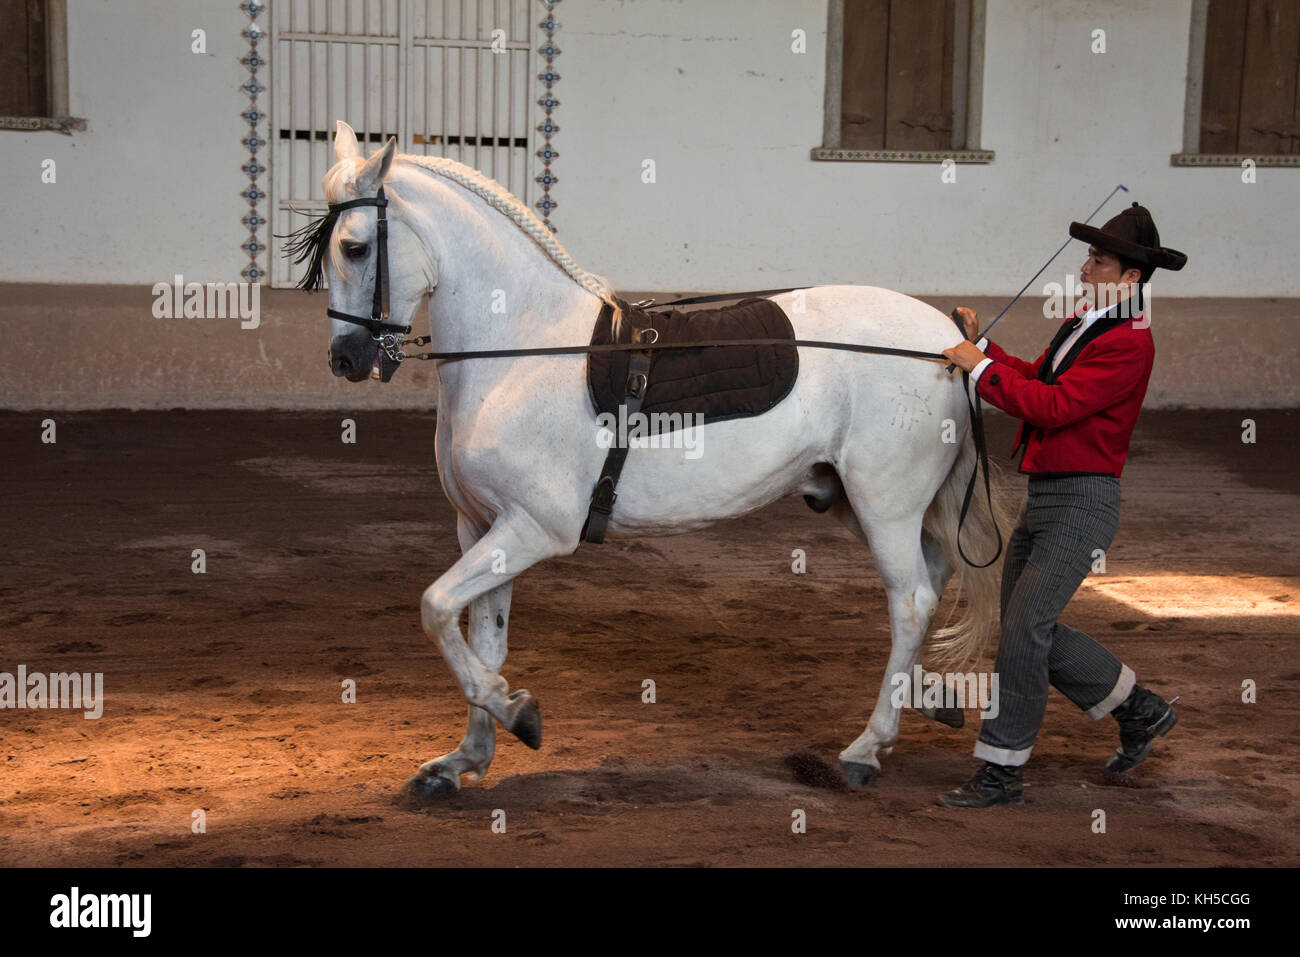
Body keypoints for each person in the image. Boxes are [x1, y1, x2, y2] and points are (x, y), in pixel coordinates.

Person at [937, 202, 1187, 808]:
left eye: (1098, 261)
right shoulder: (1089, 324)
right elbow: (1040, 378)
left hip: (1082, 503)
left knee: (1025, 630)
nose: (1085, 268)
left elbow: (1052, 407)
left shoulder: (1128, 343)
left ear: (1131, 278)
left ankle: (1001, 771)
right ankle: (1139, 709)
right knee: (1029, 628)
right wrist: (984, 348)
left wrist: (977, 373)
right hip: (1049, 496)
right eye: (1090, 257)